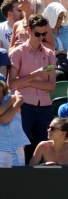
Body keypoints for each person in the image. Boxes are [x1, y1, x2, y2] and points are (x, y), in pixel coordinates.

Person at [7, 13, 55, 147]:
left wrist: (27, 81)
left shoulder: (50, 54)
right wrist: (35, 74)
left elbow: (51, 85)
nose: (41, 37)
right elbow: (12, 84)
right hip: (24, 105)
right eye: (37, 34)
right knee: (20, 144)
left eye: (44, 34)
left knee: (46, 145)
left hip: (45, 105)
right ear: (29, 31)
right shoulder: (17, 52)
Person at [0, 79, 29, 166]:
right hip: (1, 148)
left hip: (17, 146)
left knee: (18, 178)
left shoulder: (13, 98)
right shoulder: (14, 99)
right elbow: (3, 120)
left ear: (1, 87)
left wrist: (15, 101)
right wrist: (18, 103)